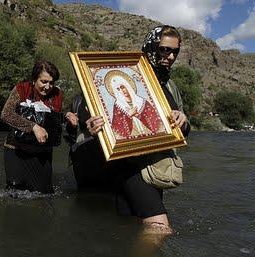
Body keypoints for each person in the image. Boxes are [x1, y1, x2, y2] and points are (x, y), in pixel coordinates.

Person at [65, 25, 190, 232]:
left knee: (128, 225)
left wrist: (182, 121)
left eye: (175, 51)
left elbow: (181, 132)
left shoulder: (170, 86)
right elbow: (89, 116)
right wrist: (91, 125)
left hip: (154, 165)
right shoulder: (125, 71)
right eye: (164, 49)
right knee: (159, 227)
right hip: (123, 162)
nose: (170, 56)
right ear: (152, 46)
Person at [1, 60, 63, 194]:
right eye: (44, 82)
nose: (48, 86)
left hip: (42, 153)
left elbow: (57, 120)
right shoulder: (21, 89)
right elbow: (6, 114)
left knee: (44, 194)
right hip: (16, 150)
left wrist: (68, 116)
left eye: (51, 83)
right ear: (34, 80)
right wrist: (33, 127)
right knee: (15, 193)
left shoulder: (57, 94)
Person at [104, 70, 162, 139]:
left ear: (127, 85)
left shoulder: (142, 102)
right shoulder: (118, 107)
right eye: (118, 89)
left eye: (122, 87)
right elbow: (117, 128)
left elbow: (156, 120)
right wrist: (129, 115)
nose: (122, 91)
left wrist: (140, 116)